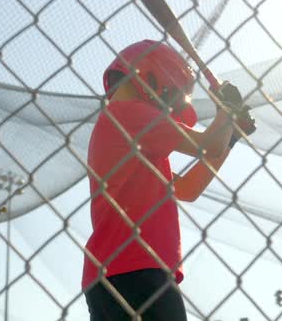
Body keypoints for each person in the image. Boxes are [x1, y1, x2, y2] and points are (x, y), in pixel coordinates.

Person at [82, 39, 256, 321]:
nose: (168, 106)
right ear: (152, 76)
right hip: (138, 269)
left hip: (113, 274)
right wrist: (227, 111)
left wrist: (230, 133)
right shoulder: (129, 115)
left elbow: (188, 189)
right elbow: (209, 144)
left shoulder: (130, 132)